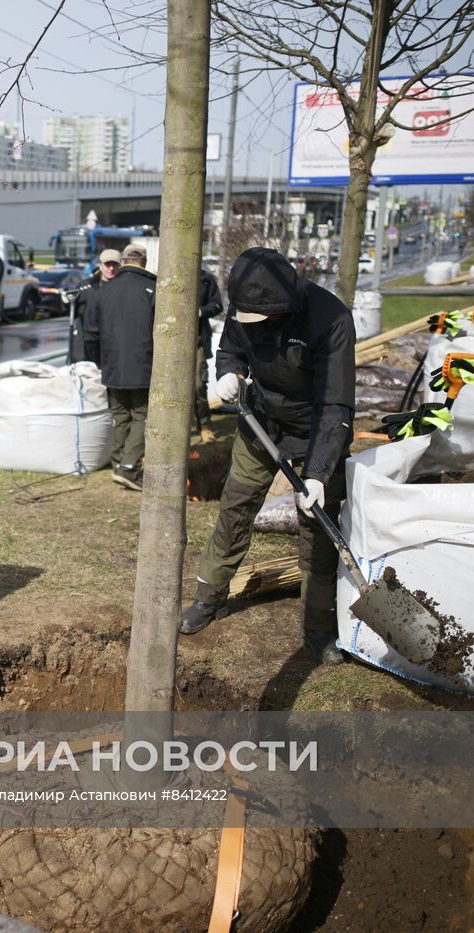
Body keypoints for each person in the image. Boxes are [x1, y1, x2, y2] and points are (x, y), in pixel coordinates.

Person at [179, 247, 356, 665]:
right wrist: (228, 373)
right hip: (259, 424)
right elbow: (231, 349)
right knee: (236, 505)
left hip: (317, 430)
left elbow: (335, 405)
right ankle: (210, 595)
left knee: (316, 523)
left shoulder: (331, 320)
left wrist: (316, 472)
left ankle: (318, 625)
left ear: (281, 307)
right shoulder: (246, 309)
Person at [82, 241, 157, 491]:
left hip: (111, 366)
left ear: (123, 262)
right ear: (144, 262)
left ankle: (119, 464)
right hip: (143, 365)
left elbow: (90, 333)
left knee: (120, 416)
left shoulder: (103, 291)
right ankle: (129, 468)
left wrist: (99, 361)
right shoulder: (153, 288)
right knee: (141, 416)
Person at [67, 248, 120, 364]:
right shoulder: (85, 286)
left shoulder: (123, 288)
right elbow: (74, 313)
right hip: (88, 344)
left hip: (114, 343)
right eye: (107, 264)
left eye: (115, 264)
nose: (111, 268)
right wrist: (67, 302)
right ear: (100, 266)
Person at [195, 267, 224, 431]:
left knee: (198, 385)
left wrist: (201, 311)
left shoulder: (206, 279)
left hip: (198, 340)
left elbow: (218, 304)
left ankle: (204, 425)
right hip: (174, 341)